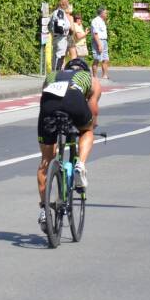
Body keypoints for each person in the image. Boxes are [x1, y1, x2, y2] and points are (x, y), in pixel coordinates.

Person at [36, 58, 102, 231]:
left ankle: (44, 209)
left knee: (45, 161)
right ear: (84, 70)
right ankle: (80, 164)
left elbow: (44, 99)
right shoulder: (91, 80)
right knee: (87, 131)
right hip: (75, 100)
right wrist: (90, 126)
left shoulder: (53, 75)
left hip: (49, 106)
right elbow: (93, 112)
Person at [48, 0, 72, 71]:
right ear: (63, 3)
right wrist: (67, 27)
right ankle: (56, 73)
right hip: (61, 38)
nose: (68, 3)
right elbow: (60, 27)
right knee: (60, 56)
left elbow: (49, 26)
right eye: (67, 2)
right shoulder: (60, 12)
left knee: (56, 56)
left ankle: (55, 72)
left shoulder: (55, 12)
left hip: (56, 37)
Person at [91, 7, 110, 79]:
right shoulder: (95, 21)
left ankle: (104, 76)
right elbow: (95, 33)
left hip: (104, 41)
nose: (106, 14)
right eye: (105, 13)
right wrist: (99, 44)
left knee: (105, 59)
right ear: (101, 13)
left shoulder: (102, 21)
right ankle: (95, 77)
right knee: (97, 59)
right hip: (98, 41)